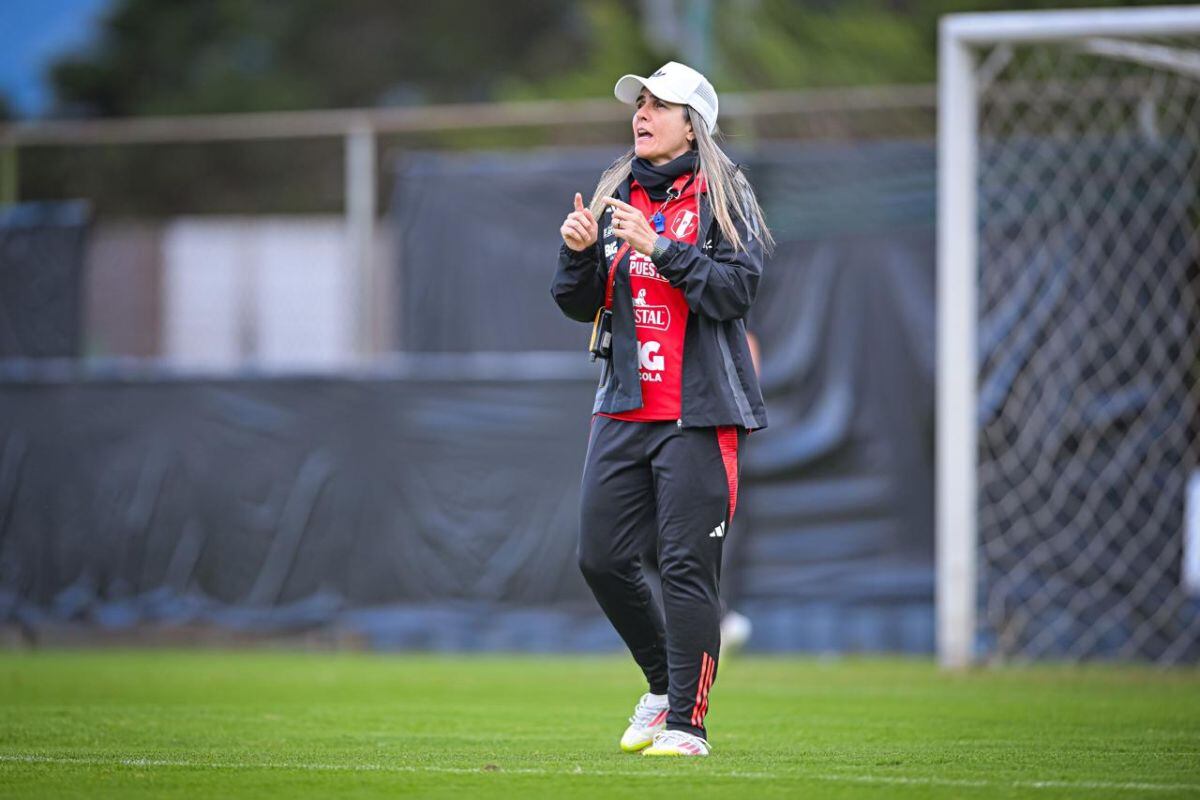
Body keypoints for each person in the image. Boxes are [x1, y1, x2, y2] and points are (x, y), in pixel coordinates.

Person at [551, 61, 773, 757]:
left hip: (698, 413)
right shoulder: (619, 191)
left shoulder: (722, 193)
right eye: (640, 102)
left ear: (692, 123)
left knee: (684, 567)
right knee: (600, 556)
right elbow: (581, 303)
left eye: (661, 104)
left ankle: (687, 725)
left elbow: (737, 291)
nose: (643, 113)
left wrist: (665, 249)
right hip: (624, 405)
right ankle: (661, 685)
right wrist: (578, 255)